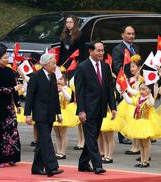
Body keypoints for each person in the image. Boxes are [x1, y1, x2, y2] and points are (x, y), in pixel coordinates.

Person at [75, 41, 116, 174]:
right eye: (98, 50)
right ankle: (97, 164)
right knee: (92, 137)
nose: (101, 53)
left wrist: (113, 107)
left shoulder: (105, 67)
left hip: (101, 108)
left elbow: (110, 88)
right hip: (87, 109)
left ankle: (83, 163)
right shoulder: (83, 67)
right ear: (90, 51)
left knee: (93, 136)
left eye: (102, 51)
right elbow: (79, 91)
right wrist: (81, 110)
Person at [25, 53, 64, 177]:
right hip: (40, 113)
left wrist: (58, 113)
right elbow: (30, 97)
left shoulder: (52, 77)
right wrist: (27, 114)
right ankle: (52, 167)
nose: (55, 65)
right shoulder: (36, 76)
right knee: (46, 140)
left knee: (42, 142)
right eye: (53, 63)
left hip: (50, 113)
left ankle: (36, 167)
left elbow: (55, 97)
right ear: (45, 64)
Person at [0, 44, 22, 167]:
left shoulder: (9, 71)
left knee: (12, 130)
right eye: (4, 58)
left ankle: (12, 157)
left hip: (9, 105)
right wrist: (13, 89)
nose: (7, 60)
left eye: (8, 57)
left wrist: (17, 103)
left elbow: (16, 88)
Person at [120, 82, 161, 168]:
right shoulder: (139, 99)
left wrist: (150, 94)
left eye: (144, 89)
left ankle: (146, 161)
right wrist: (123, 93)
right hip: (138, 123)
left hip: (145, 123)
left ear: (148, 90)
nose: (141, 91)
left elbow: (152, 103)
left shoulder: (148, 100)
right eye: (140, 89)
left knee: (145, 144)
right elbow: (129, 101)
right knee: (141, 144)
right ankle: (142, 160)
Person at [112, 25, 139, 145]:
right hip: (124, 82)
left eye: (133, 33)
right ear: (122, 35)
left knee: (133, 108)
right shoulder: (118, 49)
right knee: (123, 110)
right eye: (128, 33)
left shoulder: (136, 47)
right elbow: (117, 67)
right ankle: (122, 136)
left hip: (135, 81)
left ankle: (135, 133)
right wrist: (126, 80)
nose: (131, 36)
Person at [53, 73, 78, 160]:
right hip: (55, 112)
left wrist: (62, 90)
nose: (59, 81)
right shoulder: (54, 88)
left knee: (62, 134)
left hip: (63, 112)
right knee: (57, 134)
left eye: (61, 79)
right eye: (58, 79)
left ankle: (63, 152)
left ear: (65, 81)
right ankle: (58, 151)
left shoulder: (67, 89)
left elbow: (68, 98)